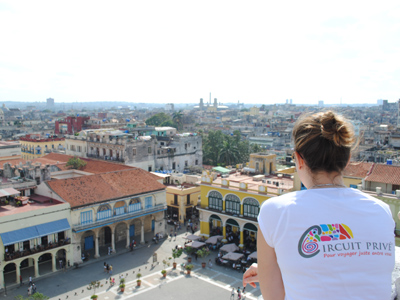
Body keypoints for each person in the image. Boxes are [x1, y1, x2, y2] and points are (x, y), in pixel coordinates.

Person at [242, 111, 395, 300]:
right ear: (347, 159)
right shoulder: (381, 210)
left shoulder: (276, 211)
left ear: (299, 159)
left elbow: (274, 297)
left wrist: (268, 273)